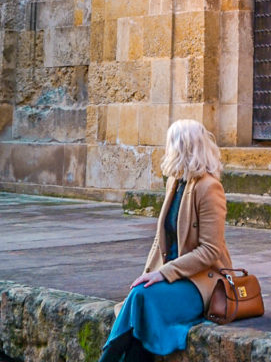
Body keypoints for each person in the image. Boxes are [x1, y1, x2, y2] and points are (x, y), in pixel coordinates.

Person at [99, 119, 232, 362]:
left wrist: (163, 274)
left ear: (182, 146)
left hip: (202, 282)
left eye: (170, 143)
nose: (166, 149)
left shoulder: (209, 188)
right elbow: (160, 239)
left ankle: (107, 358)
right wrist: (148, 273)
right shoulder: (175, 181)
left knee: (141, 299)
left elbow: (210, 251)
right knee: (140, 297)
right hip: (173, 278)